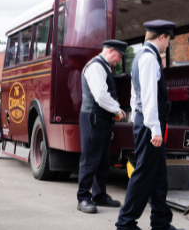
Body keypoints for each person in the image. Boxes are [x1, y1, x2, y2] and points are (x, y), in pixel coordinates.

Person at [116, 20, 183, 230]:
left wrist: (141, 119)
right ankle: (125, 223)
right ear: (162, 37)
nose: (168, 44)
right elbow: (148, 97)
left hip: (145, 122)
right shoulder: (150, 59)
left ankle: (161, 223)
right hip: (149, 124)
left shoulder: (142, 57)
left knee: (158, 175)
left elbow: (135, 95)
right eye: (168, 39)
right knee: (144, 173)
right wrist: (154, 128)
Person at [77, 40, 129, 214]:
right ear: (111, 50)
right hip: (93, 119)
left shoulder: (103, 66)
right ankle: (83, 198)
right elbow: (100, 95)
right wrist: (116, 110)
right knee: (90, 160)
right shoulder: (96, 67)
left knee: (102, 161)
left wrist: (114, 111)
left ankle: (99, 195)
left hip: (100, 120)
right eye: (119, 56)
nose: (119, 60)